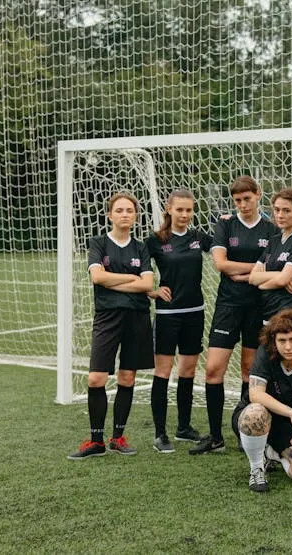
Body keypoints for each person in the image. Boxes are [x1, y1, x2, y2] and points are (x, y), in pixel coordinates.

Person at [190, 176, 279, 455]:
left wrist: (245, 271)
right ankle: (215, 436)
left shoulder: (271, 229)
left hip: (259, 306)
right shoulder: (225, 224)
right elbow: (220, 264)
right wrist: (254, 269)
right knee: (214, 369)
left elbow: (271, 267)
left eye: (247, 199)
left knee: (248, 370)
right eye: (238, 200)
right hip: (228, 305)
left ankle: (244, 431)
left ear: (258, 195)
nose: (242, 205)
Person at [68, 192, 154, 460]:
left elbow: (147, 285)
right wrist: (130, 278)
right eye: (119, 210)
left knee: (128, 377)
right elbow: (97, 277)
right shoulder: (98, 243)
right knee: (96, 378)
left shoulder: (140, 247)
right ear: (110, 214)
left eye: (130, 210)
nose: (125, 214)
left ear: (136, 215)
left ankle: (118, 437)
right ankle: (96, 441)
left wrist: (113, 280)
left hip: (137, 318)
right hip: (107, 317)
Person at [145, 189, 212, 453]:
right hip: (167, 315)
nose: (184, 215)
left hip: (195, 312)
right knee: (162, 373)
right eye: (180, 210)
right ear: (169, 209)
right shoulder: (156, 240)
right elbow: (135, 267)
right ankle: (160, 434)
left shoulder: (198, 238)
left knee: (187, 372)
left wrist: (228, 221)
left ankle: (183, 427)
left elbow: (225, 244)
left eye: (189, 210)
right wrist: (151, 291)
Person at [233, 308, 292, 492]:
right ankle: (257, 468)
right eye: (282, 341)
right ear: (273, 341)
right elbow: (256, 394)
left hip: (285, 424)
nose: (287, 347)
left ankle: (272, 453)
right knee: (256, 412)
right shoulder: (265, 354)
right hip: (253, 419)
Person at [248, 187, 292, 320]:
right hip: (268, 311)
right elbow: (252, 277)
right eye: (277, 209)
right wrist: (279, 275)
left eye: (286, 210)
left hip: (291, 314)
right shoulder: (274, 240)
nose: (280, 215)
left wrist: (263, 284)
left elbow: (283, 280)